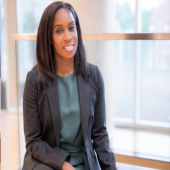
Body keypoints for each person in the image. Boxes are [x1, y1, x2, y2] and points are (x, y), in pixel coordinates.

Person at [22, 1, 118, 170]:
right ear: (49, 38)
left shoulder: (94, 75)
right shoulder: (34, 80)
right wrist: (63, 165)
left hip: (84, 162)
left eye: (71, 28)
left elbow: (100, 135)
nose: (68, 36)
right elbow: (34, 142)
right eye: (59, 31)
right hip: (47, 163)